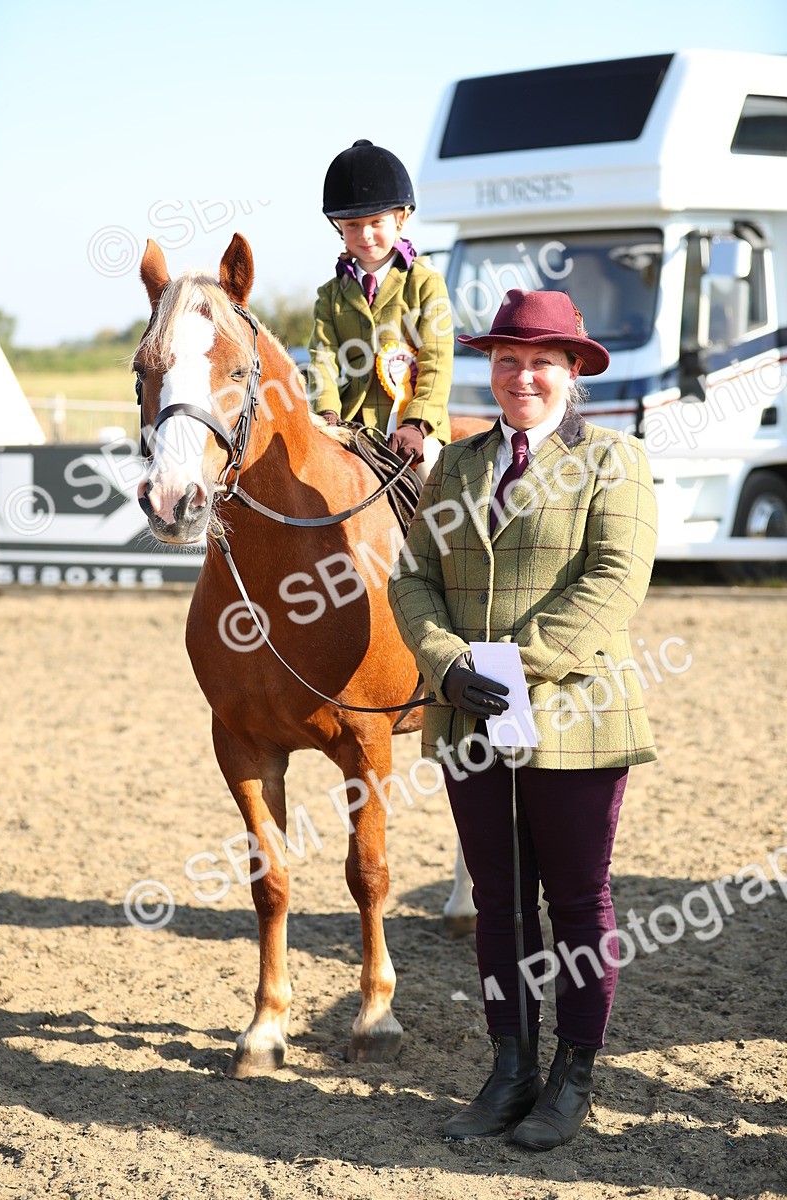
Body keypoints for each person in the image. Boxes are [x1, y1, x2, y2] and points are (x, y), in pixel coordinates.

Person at [388, 289, 658, 1150]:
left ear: (572, 371)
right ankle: (510, 1068)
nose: (522, 375)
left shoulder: (616, 461)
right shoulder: (457, 466)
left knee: (578, 903)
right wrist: (447, 663)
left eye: (541, 360)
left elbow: (614, 581)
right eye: (507, 360)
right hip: (471, 719)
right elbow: (411, 577)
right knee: (500, 904)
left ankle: (572, 1077)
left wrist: (515, 665)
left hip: (574, 718)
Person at [308, 139, 452, 481]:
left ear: (400, 218)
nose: (365, 234)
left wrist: (417, 422)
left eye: (376, 222)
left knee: (432, 472)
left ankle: (444, 536)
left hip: (413, 427)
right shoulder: (330, 295)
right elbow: (322, 359)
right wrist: (327, 413)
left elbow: (437, 358)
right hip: (349, 425)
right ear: (338, 226)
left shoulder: (425, 281)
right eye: (353, 225)